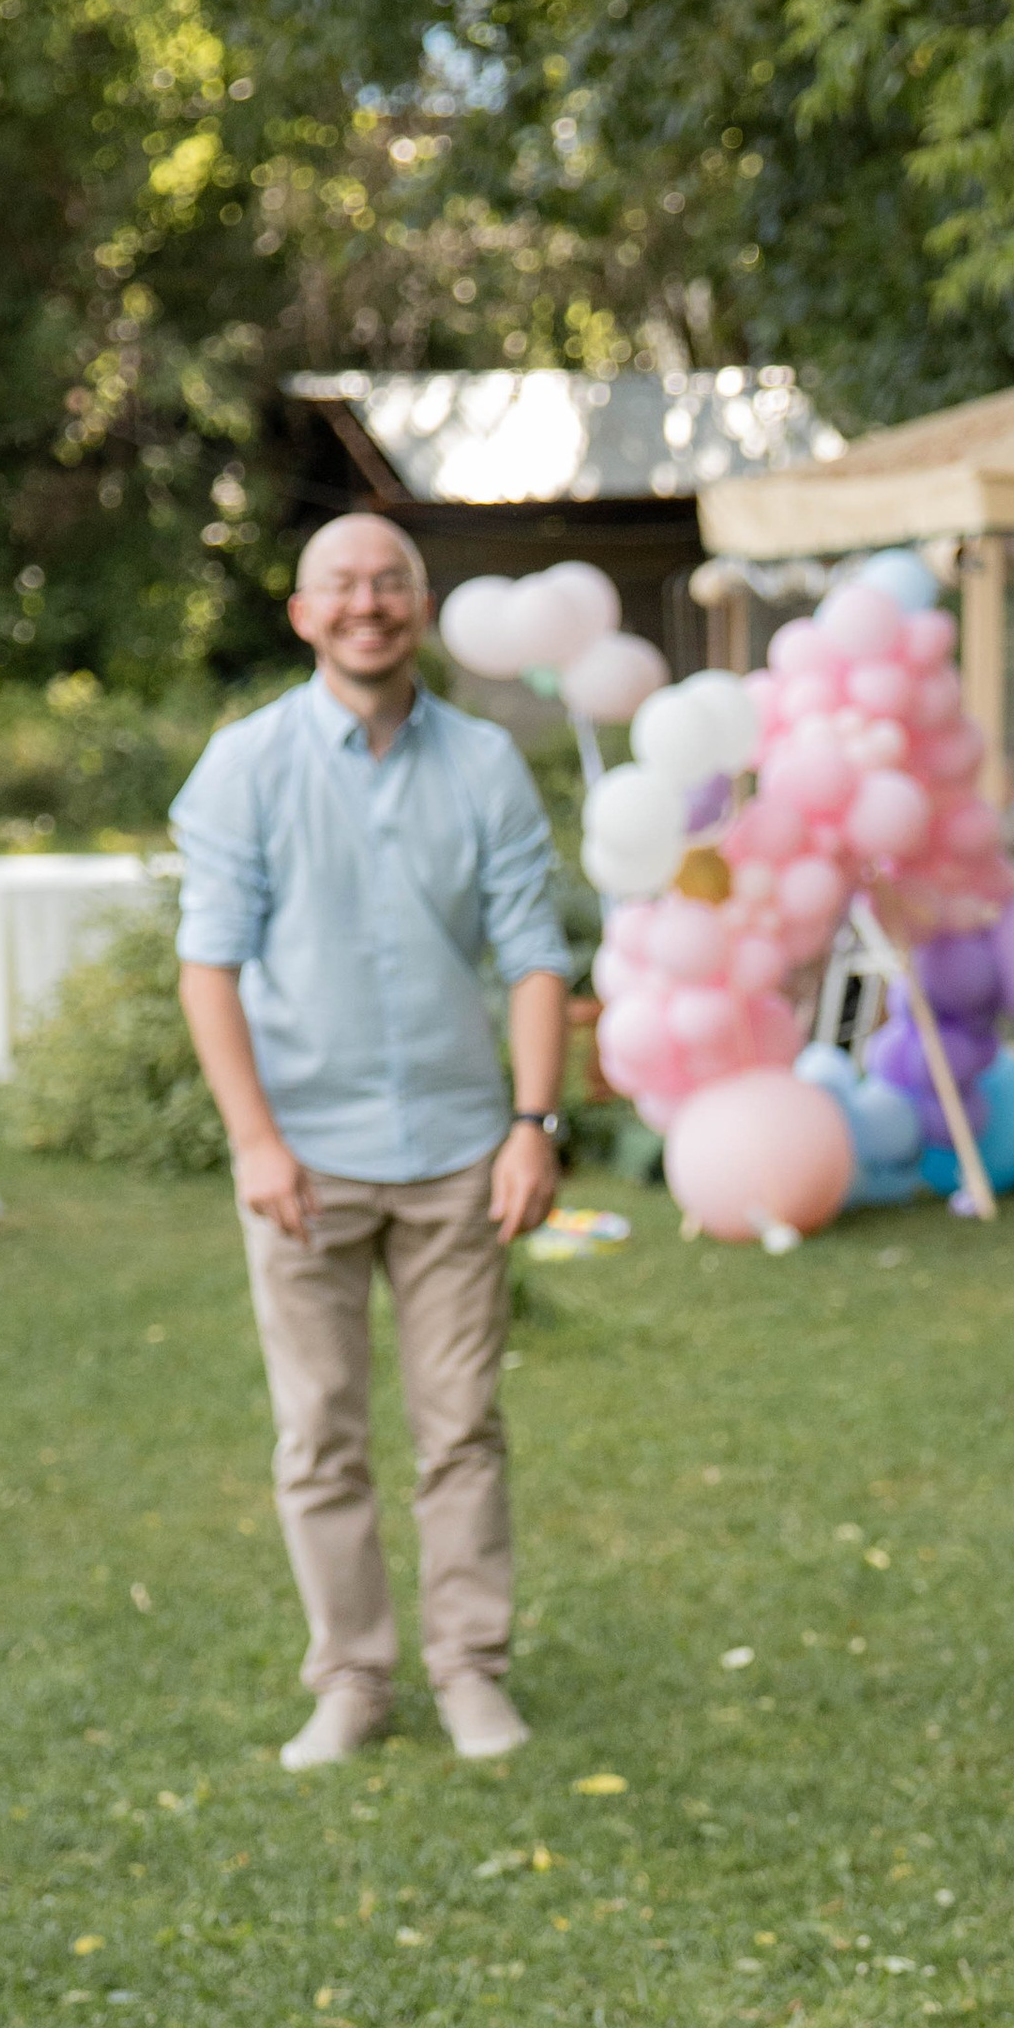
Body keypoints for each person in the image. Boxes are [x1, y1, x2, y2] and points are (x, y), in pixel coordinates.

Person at [174, 511, 576, 1773]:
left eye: (389, 582)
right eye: (341, 584)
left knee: (461, 1427)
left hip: (462, 1150)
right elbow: (208, 967)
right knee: (321, 1433)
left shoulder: (486, 766)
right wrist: (254, 1143)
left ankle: (468, 1669)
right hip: (303, 1160)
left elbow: (534, 957)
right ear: (301, 615)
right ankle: (351, 1677)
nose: (367, 604)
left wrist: (531, 1124)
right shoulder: (243, 766)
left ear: (420, 605)